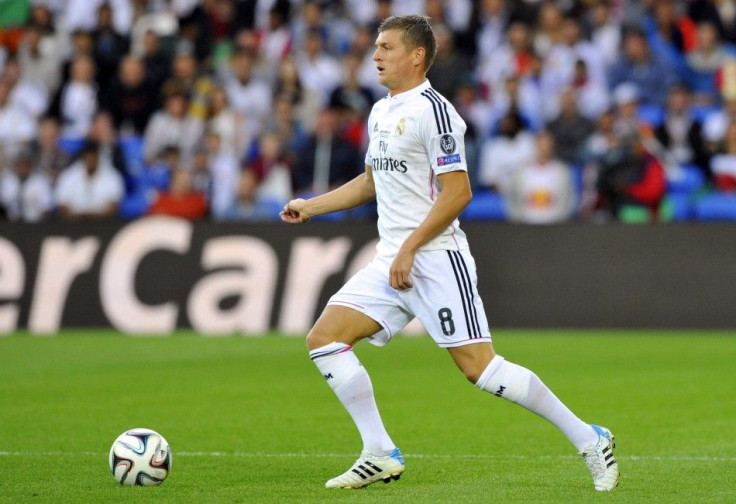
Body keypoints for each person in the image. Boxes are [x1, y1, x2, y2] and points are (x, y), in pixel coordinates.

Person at [280, 15, 619, 492]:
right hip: (392, 260)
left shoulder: (435, 112)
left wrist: (411, 249)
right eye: (376, 47)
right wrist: (311, 207)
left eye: (386, 47)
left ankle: (590, 437)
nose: (375, 55)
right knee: (325, 340)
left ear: (417, 56)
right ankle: (378, 452)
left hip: (436, 258)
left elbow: (458, 193)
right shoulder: (382, 111)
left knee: (481, 370)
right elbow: (372, 182)